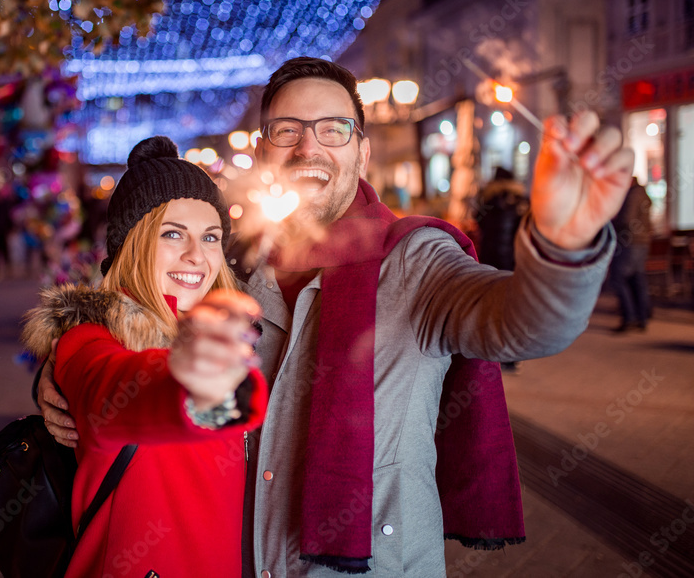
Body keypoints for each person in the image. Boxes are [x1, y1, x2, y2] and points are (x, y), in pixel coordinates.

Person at [38, 57, 633, 577]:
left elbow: (524, 325)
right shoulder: (236, 269)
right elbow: (129, 350)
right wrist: (61, 372)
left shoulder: (415, 260)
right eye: (287, 130)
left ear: (362, 150)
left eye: (333, 128)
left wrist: (564, 247)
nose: (308, 146)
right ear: (263, 149)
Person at [21, 136, 268, 578]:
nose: (197, 255)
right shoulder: (88, 339)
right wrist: (191, 383)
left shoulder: (236, 331)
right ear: (132, 243)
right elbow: (115, 384)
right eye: (172, 234)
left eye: (210, 237)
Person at [474, 166, 530, 372]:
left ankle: (496, 352)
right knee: (514, 307)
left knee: (493, 306)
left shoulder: (488, 200)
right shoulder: (523, 201)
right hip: (515, 260)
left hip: (491, 259)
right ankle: (513, 356)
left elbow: (478, 221)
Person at [608, 176, 653, 332]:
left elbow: (627, 219)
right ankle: (643, 316)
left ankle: (629, 317)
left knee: (618, 278)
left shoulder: (632, 195)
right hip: (641, 242)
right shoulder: (643, 193)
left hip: (630, 242)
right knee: (637, 279)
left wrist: (610, 221)